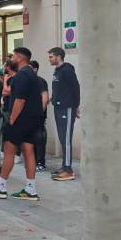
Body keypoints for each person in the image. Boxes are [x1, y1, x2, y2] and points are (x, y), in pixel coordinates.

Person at [0, 47, 43, 201]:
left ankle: (1, 186)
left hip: (20, 119)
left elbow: (20, 100)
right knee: (29, 151)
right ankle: (30, 189)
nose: (11, 59)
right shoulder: (33, 75)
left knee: (9, 149)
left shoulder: (22, 75)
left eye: (14, 56)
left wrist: (12, 120)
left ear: (20, 58)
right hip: (33, 119)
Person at [48, 47, 80, 181]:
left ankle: (68, 170)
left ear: (58, 56)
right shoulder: (58, 70)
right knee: (62, 138)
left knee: (66, 139)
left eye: (51, 56)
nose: (49, 59)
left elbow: (75, 88)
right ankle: (64, 165)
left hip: (67, 108)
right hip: (58, 108)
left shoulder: (67, 70)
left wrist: (76, 106)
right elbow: (59, 88)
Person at [30, 60, 49, 172]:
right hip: (29, 116)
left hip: (38, 116)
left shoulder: (40, 81)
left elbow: (45, 99)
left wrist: (39, 113)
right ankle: (34, 161)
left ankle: (41, 162)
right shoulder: (28, 81)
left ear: (35, 69)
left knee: (39, 139)